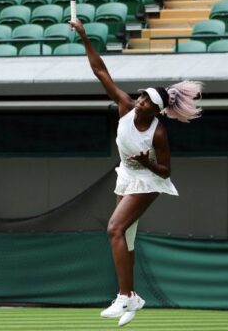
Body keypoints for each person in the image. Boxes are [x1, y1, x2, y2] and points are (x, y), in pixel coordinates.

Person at [69, 19, 203, 327]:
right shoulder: (125, 106)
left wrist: (147, 164)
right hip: (127, 175)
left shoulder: (158, 134)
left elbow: (166, 170)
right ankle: (130, 298)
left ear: (156, 111)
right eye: (141, 96)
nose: (140, 100)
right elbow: (100, 71)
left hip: (149, 179)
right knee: (125, 237)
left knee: (114, 228)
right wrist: (85, 37)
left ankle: (125, 296)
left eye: (147, 101)